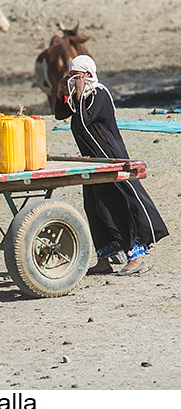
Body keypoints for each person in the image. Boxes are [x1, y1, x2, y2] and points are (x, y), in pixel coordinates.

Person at [54, 55, 168, 276]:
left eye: (77, 76)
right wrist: (61, 93)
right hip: (92, 160)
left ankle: (136, 257)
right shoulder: (81, 97)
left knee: (118, 203)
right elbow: (60, 114)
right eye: (71, 76)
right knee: (95, 207)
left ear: (88, 74)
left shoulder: (98, 94)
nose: (74, 80)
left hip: (110, 158)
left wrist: (77, 92)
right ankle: (104, 259)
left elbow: (85, 121)